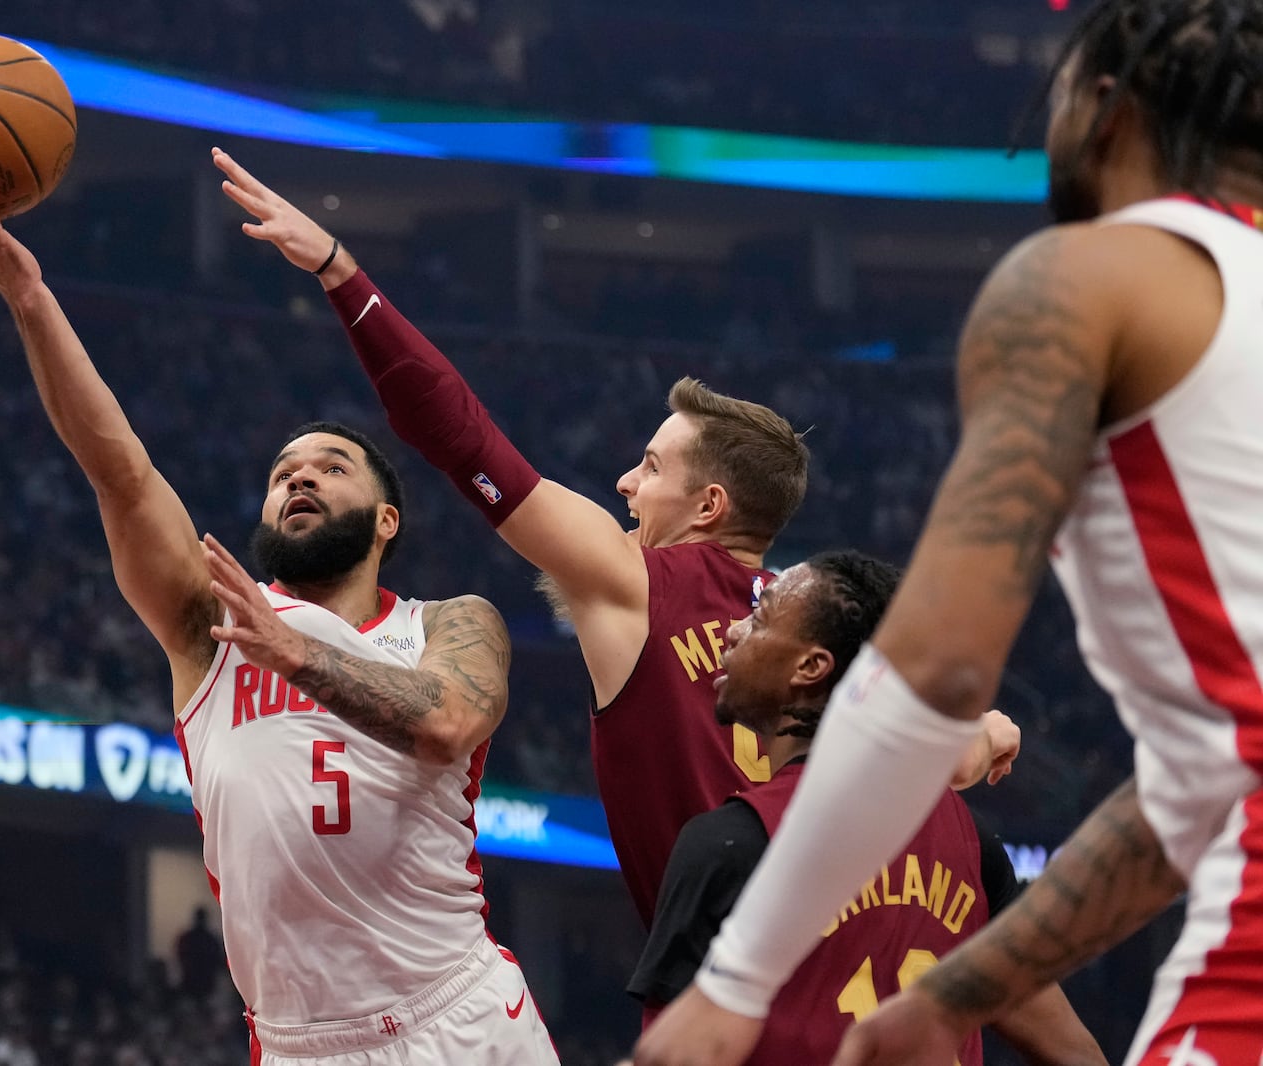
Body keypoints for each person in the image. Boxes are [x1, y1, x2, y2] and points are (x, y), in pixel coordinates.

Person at [631, 1, 1263, 1063]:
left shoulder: (1078, 285)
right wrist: (950, 996)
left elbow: (937, 662)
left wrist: (738, 977)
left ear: (1103, 108)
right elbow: (1197, 784)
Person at [209, 148, 1021, 930]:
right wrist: (982, 737)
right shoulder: (823, 624)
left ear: (707, 505)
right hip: (863, 961)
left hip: (730, 986)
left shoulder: (636, 582)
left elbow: (461, 439)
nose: (626, 485)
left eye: (648, 466)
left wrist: (344, 277)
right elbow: (945, 750)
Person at [0, 186, 559, 1066]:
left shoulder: (453, 622)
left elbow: (448, 721)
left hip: (459, 1020)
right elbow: (120, 472)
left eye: (332, 467)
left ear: (387, 520)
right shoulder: (209, 624)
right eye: (284, 470)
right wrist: (29, 297)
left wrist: (300, 652)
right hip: (298, 1046)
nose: (300, 479)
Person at [630, 551, 1105, 1065]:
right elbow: (1073, 1052)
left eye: (760, 619)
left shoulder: (730, 843)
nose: (733, 632)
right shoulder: (971, 840)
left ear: (810, 668)